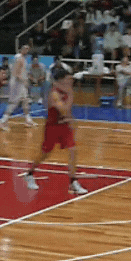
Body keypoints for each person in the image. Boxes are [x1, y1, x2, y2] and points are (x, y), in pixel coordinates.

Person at [22, 67, 88, 195]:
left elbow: (67, 113)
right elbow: (63, 110)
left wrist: (71, 120)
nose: (71, 82)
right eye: (68, 80)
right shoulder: (54, 94)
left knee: (73, 150)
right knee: (45, 153)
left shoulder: (66, 91)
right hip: (52, 127)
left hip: (64, 126)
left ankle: (73, 181)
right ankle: (29, 173)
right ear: (60, 81)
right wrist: (71, 97)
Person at [0, 44, 36, 129]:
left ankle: (28, 120)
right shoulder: (19, 58)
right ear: (21, 49)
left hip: (20, 83)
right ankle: (2, 121)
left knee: (25, 100)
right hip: (17, 83)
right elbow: (16, 73)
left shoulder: (21, 58)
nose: (26, 50)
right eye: (25, 49)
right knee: (14, 103)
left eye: (28, 49)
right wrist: (24, 81)